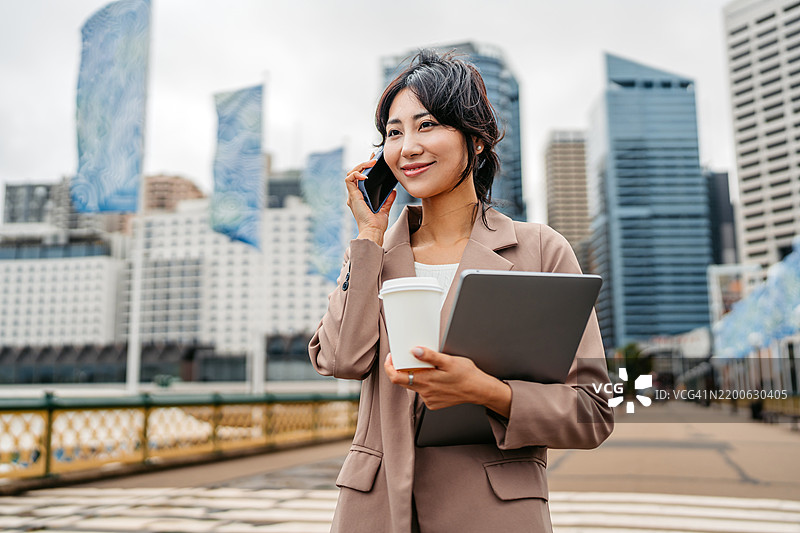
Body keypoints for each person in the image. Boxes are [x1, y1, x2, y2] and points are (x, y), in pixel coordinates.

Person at [309, 49, 614, 533]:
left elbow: (592, 412)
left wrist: (488, 392)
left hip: (492, 513)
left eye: (427, 125)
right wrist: (368, 238)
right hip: (375, 513)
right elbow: (342, 359)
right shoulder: (374, 255)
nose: (407, 147)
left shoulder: (538, 251)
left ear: (476, 141)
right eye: (394, 132)